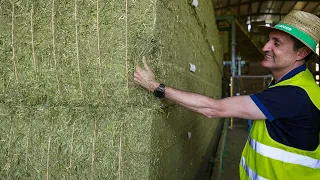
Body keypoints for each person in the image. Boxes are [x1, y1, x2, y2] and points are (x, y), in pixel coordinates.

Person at [134, 10, 320, 179]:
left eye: (276, 43)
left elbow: (213, 108)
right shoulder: (297, 85)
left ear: (301, 53)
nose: (265, 47)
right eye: (269, 40)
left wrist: (154, 86)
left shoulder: (293, 95)